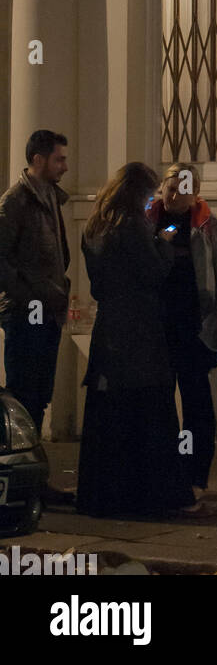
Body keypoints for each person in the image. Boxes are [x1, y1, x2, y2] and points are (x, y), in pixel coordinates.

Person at [77, 163, 196, 518]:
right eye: (151, 194)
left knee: (109, 417)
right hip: (140, 331)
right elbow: (153, 273)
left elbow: (98, 283)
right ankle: (153, 495)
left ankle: (105, 495)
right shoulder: (132, 226)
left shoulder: (95, 226)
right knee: (148, 414)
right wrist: (164, 241)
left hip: (109, 329)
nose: (153, 200)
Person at [146, 164, 217, 496]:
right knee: (159, 403)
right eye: (169, 188)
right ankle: (166, 471)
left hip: (197, 330)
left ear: (194, 193)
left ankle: (195, 474)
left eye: (182, 189)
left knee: (196, 404)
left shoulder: (208, 226)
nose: (173, 195)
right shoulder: (149, 220)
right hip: (159, 329)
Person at [0, 130, 76, 506]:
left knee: (38, 397)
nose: (64, 165)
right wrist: (30, 298)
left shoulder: (49, 199)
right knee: (25, 397)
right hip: (25, 313)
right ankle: (25, 483)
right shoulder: (15, 202)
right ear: (38, 159)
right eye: (59, 159)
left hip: (46, 311)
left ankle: (36, 482)